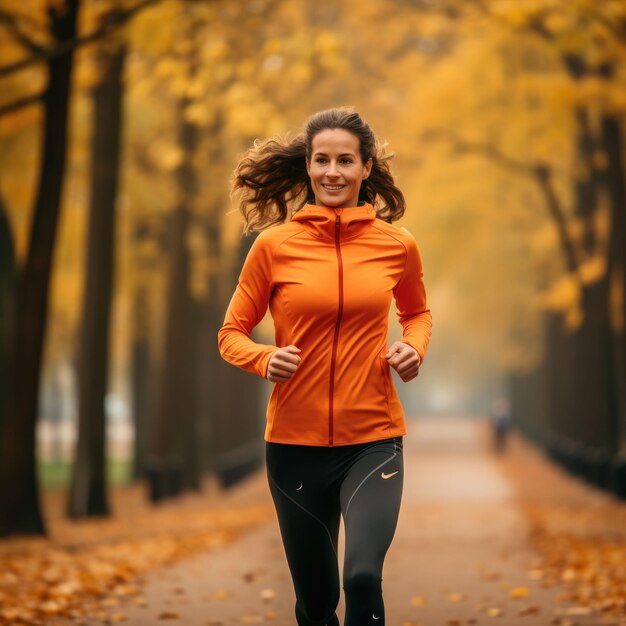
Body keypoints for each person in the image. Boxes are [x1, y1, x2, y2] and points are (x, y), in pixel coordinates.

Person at [217, 107, 432, 626]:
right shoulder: (273, 246)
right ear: (308, 168)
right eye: (321, 160)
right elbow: (230, 335)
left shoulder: (396, 245)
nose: (332, 171)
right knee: (317, 603)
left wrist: (413, 347)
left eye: (344, 160)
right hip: (294, 446)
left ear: (365, 169)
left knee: (361, 577)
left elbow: (417, 312)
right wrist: (266, 358)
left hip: (373, 439)